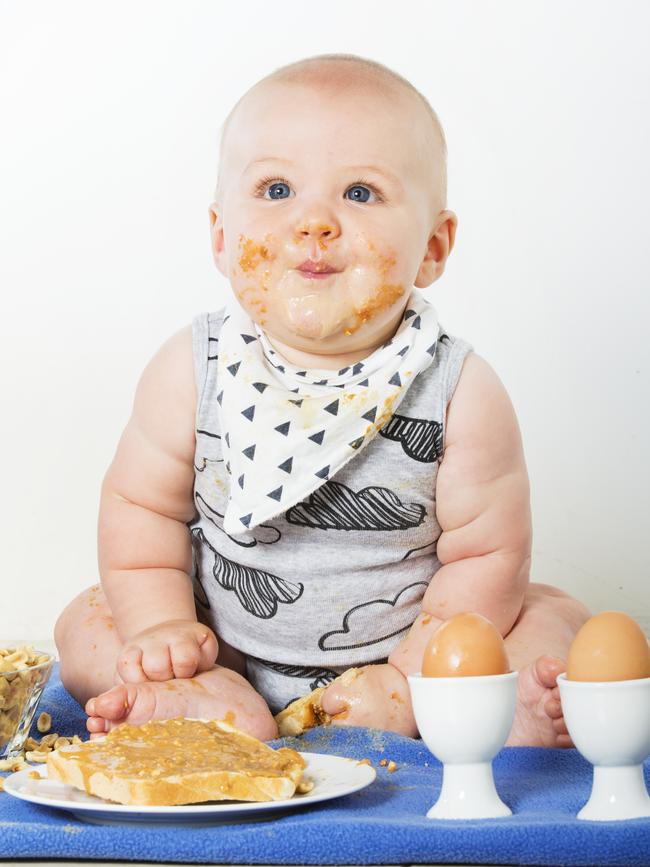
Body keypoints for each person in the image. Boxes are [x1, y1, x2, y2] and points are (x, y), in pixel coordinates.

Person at [55, 53, 590, 745]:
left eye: (360, 193)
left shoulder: (460, 390)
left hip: (409, 654)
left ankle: (450, 710)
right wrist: (162, 628)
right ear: (220, 236)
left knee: (558, 620)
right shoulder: (192, 369)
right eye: (277, 189)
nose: (314, 222)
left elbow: (488, 558)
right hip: (224, 645)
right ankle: (211, 702)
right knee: (87, 622)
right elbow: (140, 510)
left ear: (432, 245)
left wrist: (411, 672)